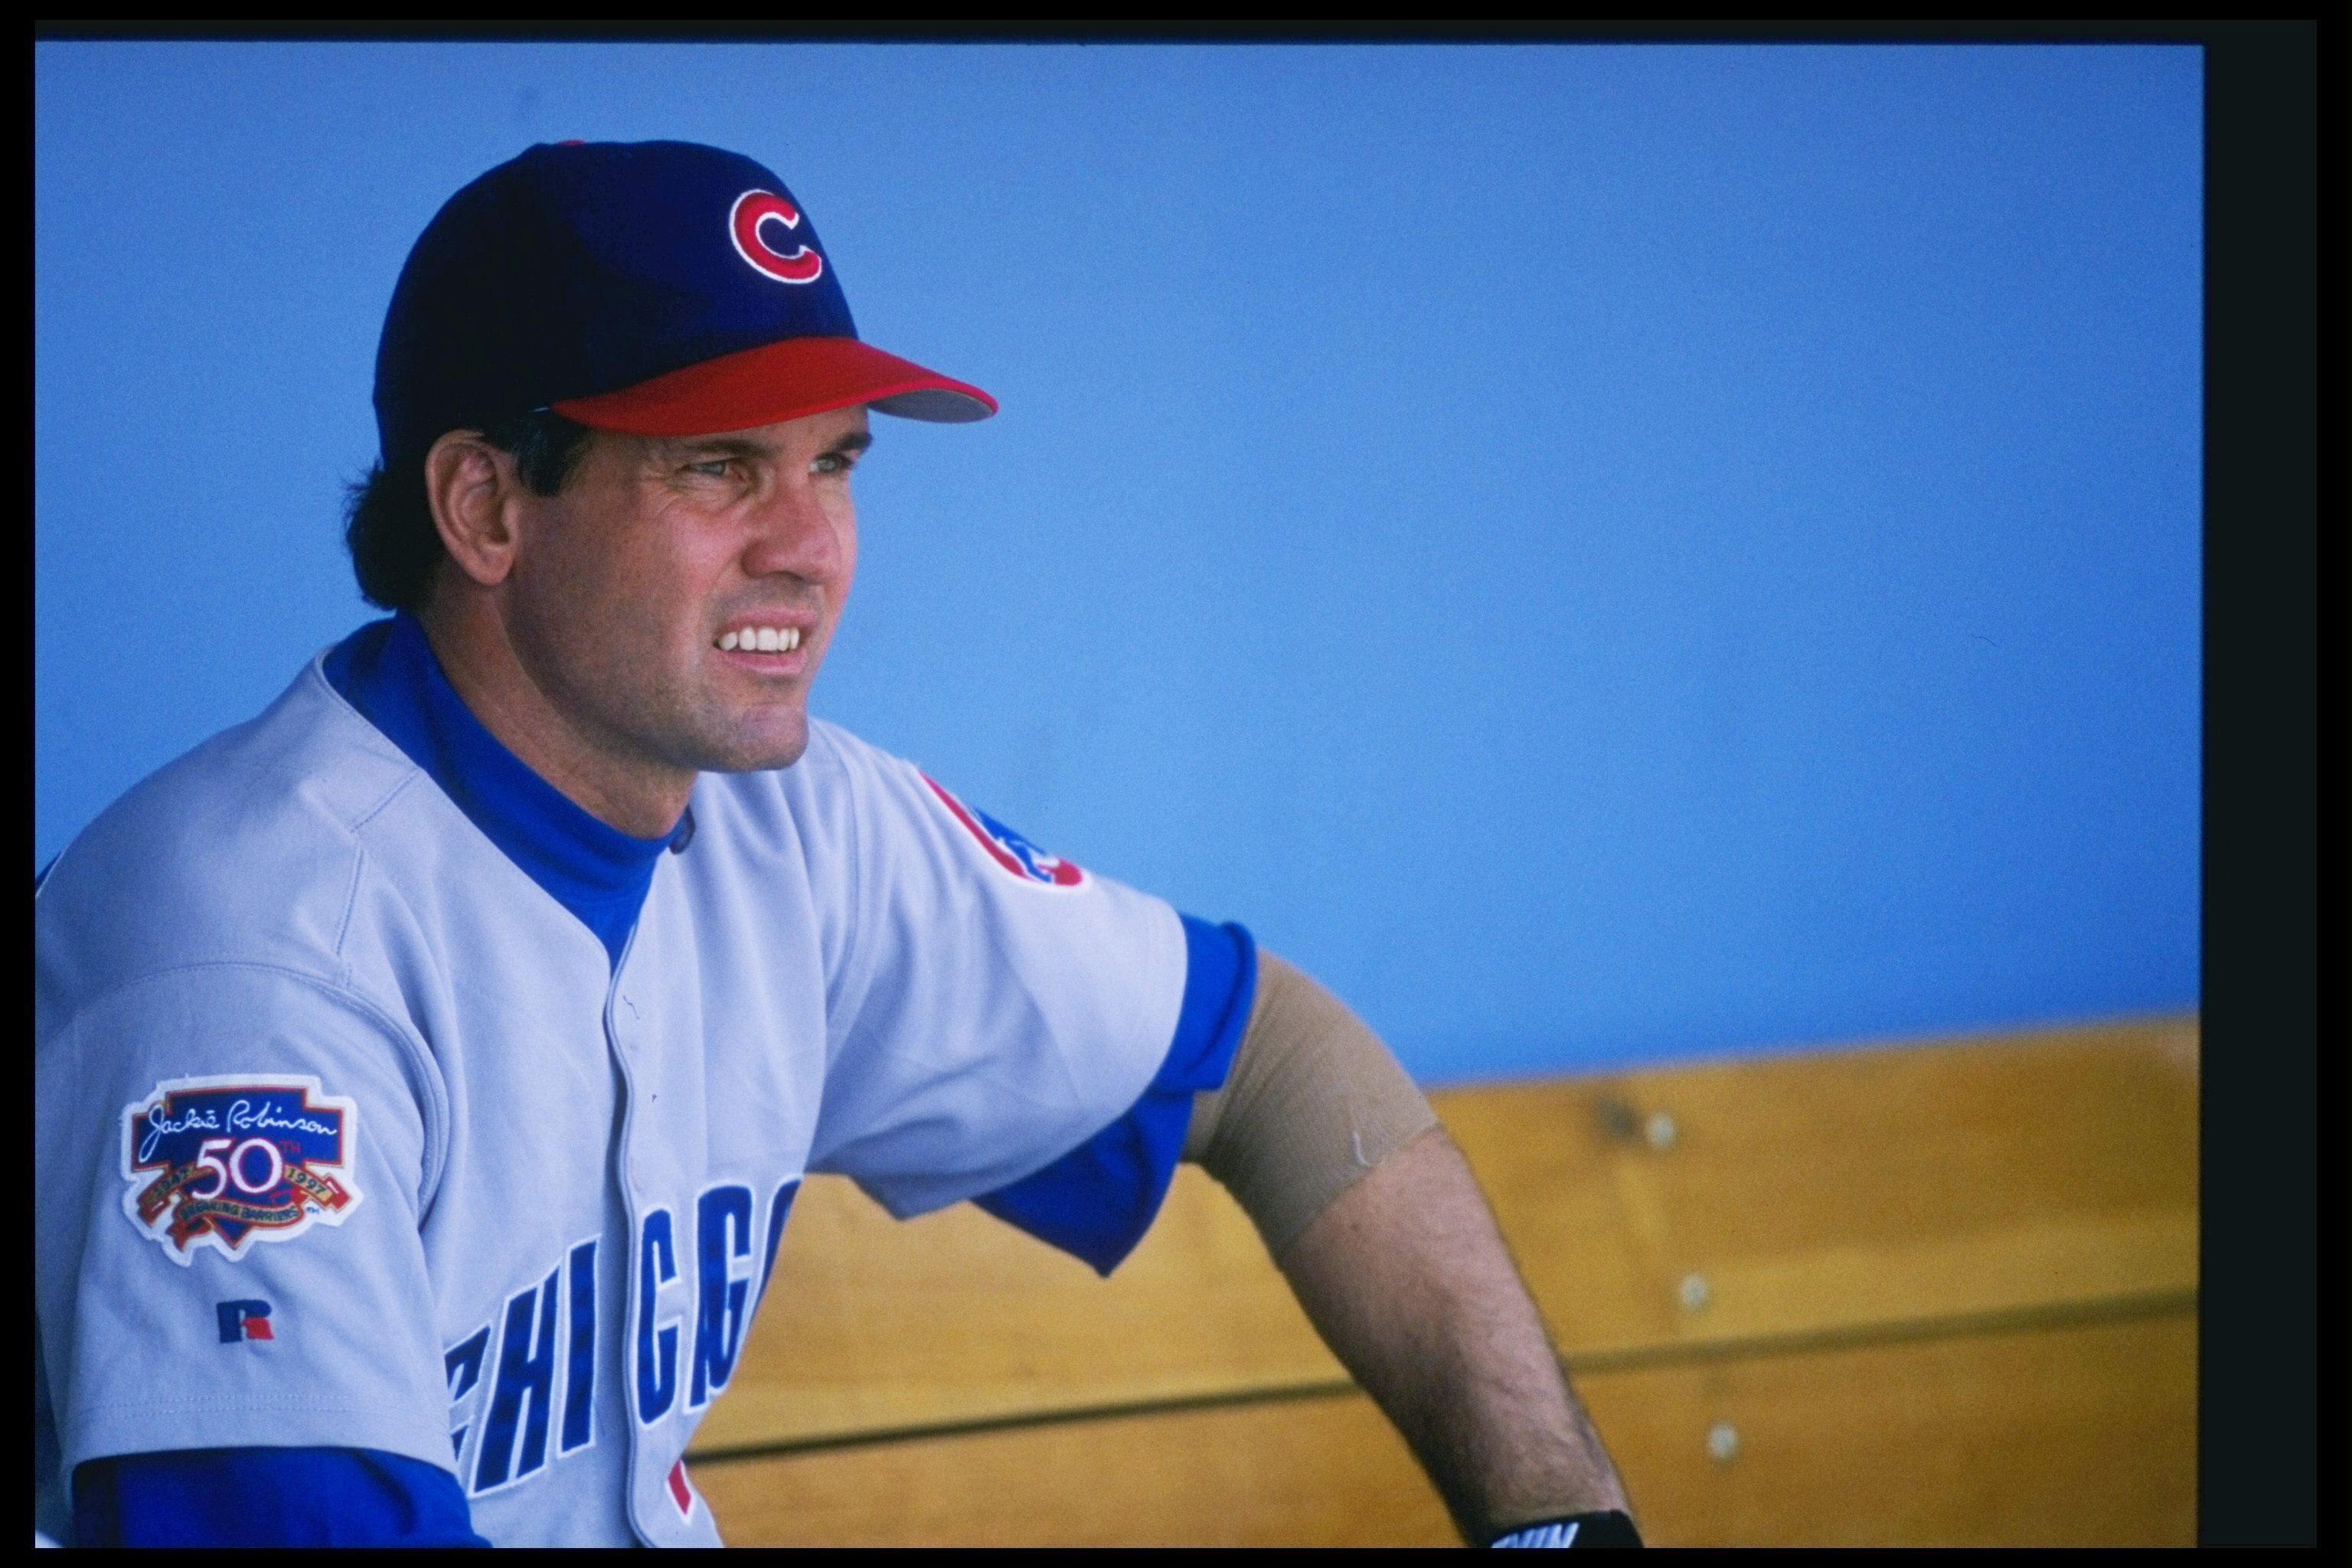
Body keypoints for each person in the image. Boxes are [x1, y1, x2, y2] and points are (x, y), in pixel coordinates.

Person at [34, 139, 1635, 1549]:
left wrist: (1559, 1523)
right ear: (487, 509)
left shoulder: (795, 827)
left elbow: (1269, 1062)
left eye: (836, 464)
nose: (808, 547)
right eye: (719, 466)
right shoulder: (246, 975)